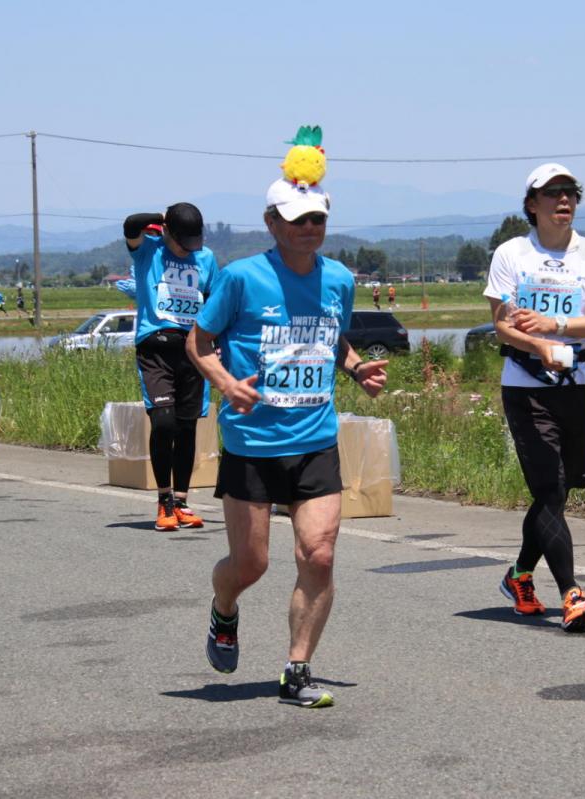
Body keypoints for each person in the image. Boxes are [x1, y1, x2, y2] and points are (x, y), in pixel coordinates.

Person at [187, 170, 387, 709]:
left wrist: (355, 369)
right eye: (298, 220)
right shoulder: (242, 278)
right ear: (272, 223)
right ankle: (224, 607)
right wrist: (226, 384)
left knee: (318, 555)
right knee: (250, 565)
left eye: (317, 219)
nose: (309, 228)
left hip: (315, 439)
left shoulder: (338, 279)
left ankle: (296, 670)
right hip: (252, 443)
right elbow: (198, 341)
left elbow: (333, 337)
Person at [483, 163, 585, 632]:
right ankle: (572, 594)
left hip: (577, 382)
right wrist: (537, 344)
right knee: (548, 488)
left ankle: (519, 575)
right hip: (526, 385)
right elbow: (502, 323)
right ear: (532, 204)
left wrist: (557, 326)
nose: (564, 200)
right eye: (552, 193)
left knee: (560, 491)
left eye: (570, 193)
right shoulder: (512, 253)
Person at [122, 203, 219, 532]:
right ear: (167, 232)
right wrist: (159, 219)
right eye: (182, 243)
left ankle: (181, 501)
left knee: (187, 427)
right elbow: (131, 225)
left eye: (193, 242)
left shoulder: (206, 258)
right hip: (156, 348)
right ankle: (163, 500)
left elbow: (213, 300)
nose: (188, 249)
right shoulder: (148, 251)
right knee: (164, 423)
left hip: (193, 349)